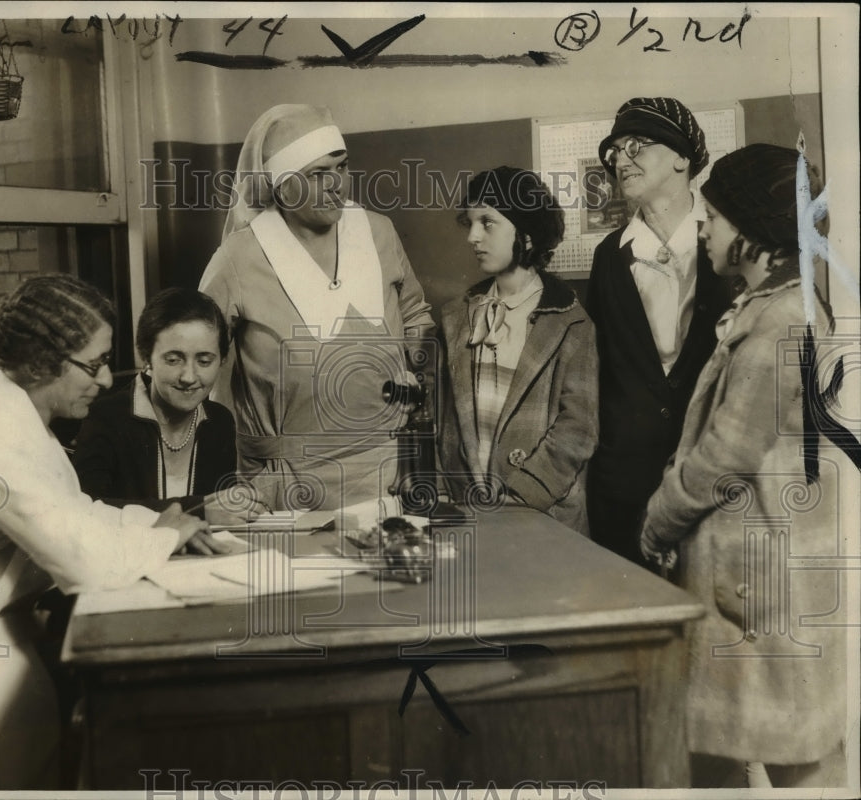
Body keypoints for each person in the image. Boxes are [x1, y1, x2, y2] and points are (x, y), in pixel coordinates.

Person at [0, 275, 225, 790]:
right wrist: (164, 538)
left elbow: (74, 512)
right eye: (94, 364)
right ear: (44, 361)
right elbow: (82, 562)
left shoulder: (13, 419)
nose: (107, 380)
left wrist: (156, 523)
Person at [640, 145, 846, 788]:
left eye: (715, 216)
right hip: (765, 568)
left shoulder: (779, 319)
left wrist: (658, 520)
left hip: (752, 574)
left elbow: (727, 454)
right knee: (768, 742)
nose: (703, 228)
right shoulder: (787, 305)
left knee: (783, 752)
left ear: (753, 228)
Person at [199, 104, 435, 512]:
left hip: (389, 471)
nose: (336, 185)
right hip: (287, 482)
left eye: (341, 167)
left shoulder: (378, 231)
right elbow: (197, 349)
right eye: (316, 174)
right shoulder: (239, 257)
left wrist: (414, 368)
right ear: (281, 186)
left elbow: (415, 313)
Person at [586, 96, 733, 563]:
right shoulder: (609, 256)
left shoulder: (731, 244)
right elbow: (601, 366)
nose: (620, 160)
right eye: (614, 152)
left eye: (637, 146)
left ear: (681, 157)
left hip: (712, 483)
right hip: (623, 484)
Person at [438, 167, 598, 533]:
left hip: (542, 518)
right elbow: (445, 425)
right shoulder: (456, 317)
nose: (473, 237)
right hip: (468, 515)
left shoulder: (572, 323)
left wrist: (521, 499)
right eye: (471, 223)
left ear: (526, 235)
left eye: (488, 223)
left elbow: (578, 430)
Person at [73, 287, 258, 525]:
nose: (189, 376)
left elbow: (219, 514)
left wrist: (237, 504)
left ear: (221, 360)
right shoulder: (106, 417)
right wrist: (197, 511)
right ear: (147, 357)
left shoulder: (220, 422)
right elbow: (85, 510)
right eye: (173, 360)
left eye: (204, 361)